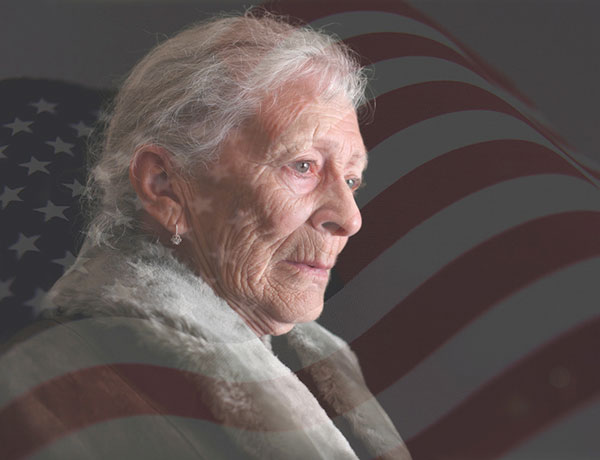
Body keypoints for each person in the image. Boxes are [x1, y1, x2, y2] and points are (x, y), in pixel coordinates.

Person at [2, 11, 411, 460]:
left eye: (351, 180)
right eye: (303, 166)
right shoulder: (51, 386)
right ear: (165, 186)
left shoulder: (321, 375)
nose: (349, 218)